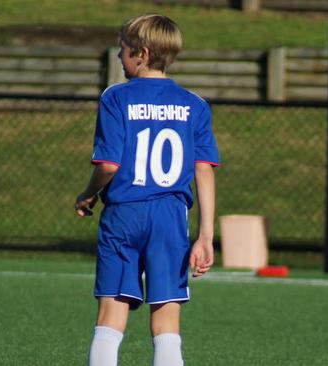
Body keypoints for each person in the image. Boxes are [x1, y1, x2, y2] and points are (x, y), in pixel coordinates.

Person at [74, 14, 219, 366]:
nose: (119, 57)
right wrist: (206, 236)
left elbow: (108, 166)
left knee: (111, 316)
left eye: (122, 49)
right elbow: (203, 170)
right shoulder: (194, 104)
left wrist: (88, 194)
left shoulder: (116, 97)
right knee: (167, 321)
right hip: (170, 216)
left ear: (141, 53)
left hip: (124, 214)